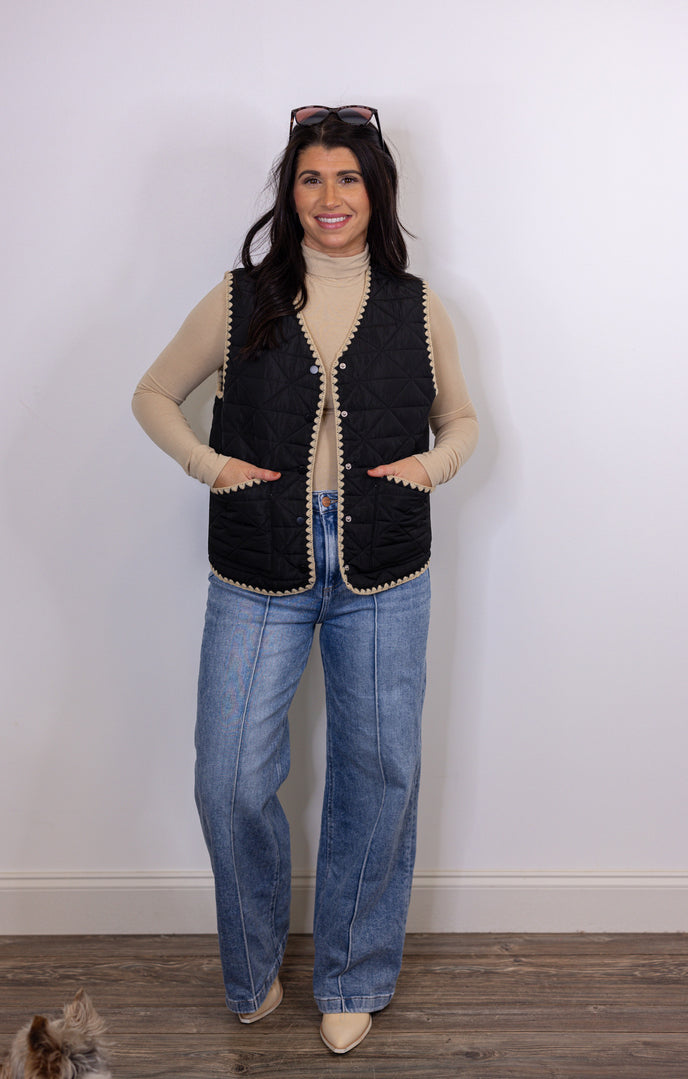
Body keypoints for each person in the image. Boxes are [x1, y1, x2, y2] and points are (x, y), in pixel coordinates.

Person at [132, 105, 478, 1054]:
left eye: (348, 178)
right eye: (312, 178)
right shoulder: (239, 297)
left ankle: (353, 974)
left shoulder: (418, 306)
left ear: (377, 191)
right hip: (258, 563)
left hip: (385, 566)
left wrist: (431, 468)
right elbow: (153, 394)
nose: (330, 197)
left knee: (380, 772)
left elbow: (462, 420)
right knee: (229, 777)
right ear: (291, 192)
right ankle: (252, 968)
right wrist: (210, 466)